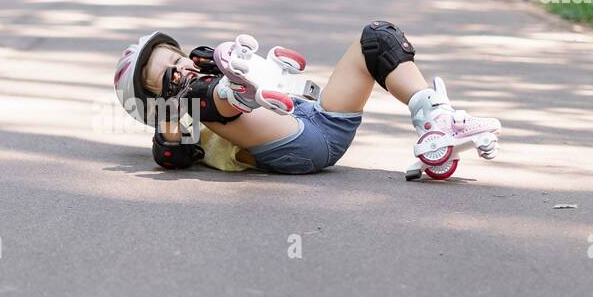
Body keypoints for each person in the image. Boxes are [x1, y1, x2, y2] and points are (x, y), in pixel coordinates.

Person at [113, 22, 500, 180]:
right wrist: (174, 110)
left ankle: (435, 119)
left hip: (323, 119)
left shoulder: (205, 72)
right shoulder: (181, 121)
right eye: (169, 74)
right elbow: (168, 155)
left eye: (179, 58)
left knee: (376, 38)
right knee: (200, 99)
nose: (183, 67)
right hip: (295, 146)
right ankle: (239, 93)